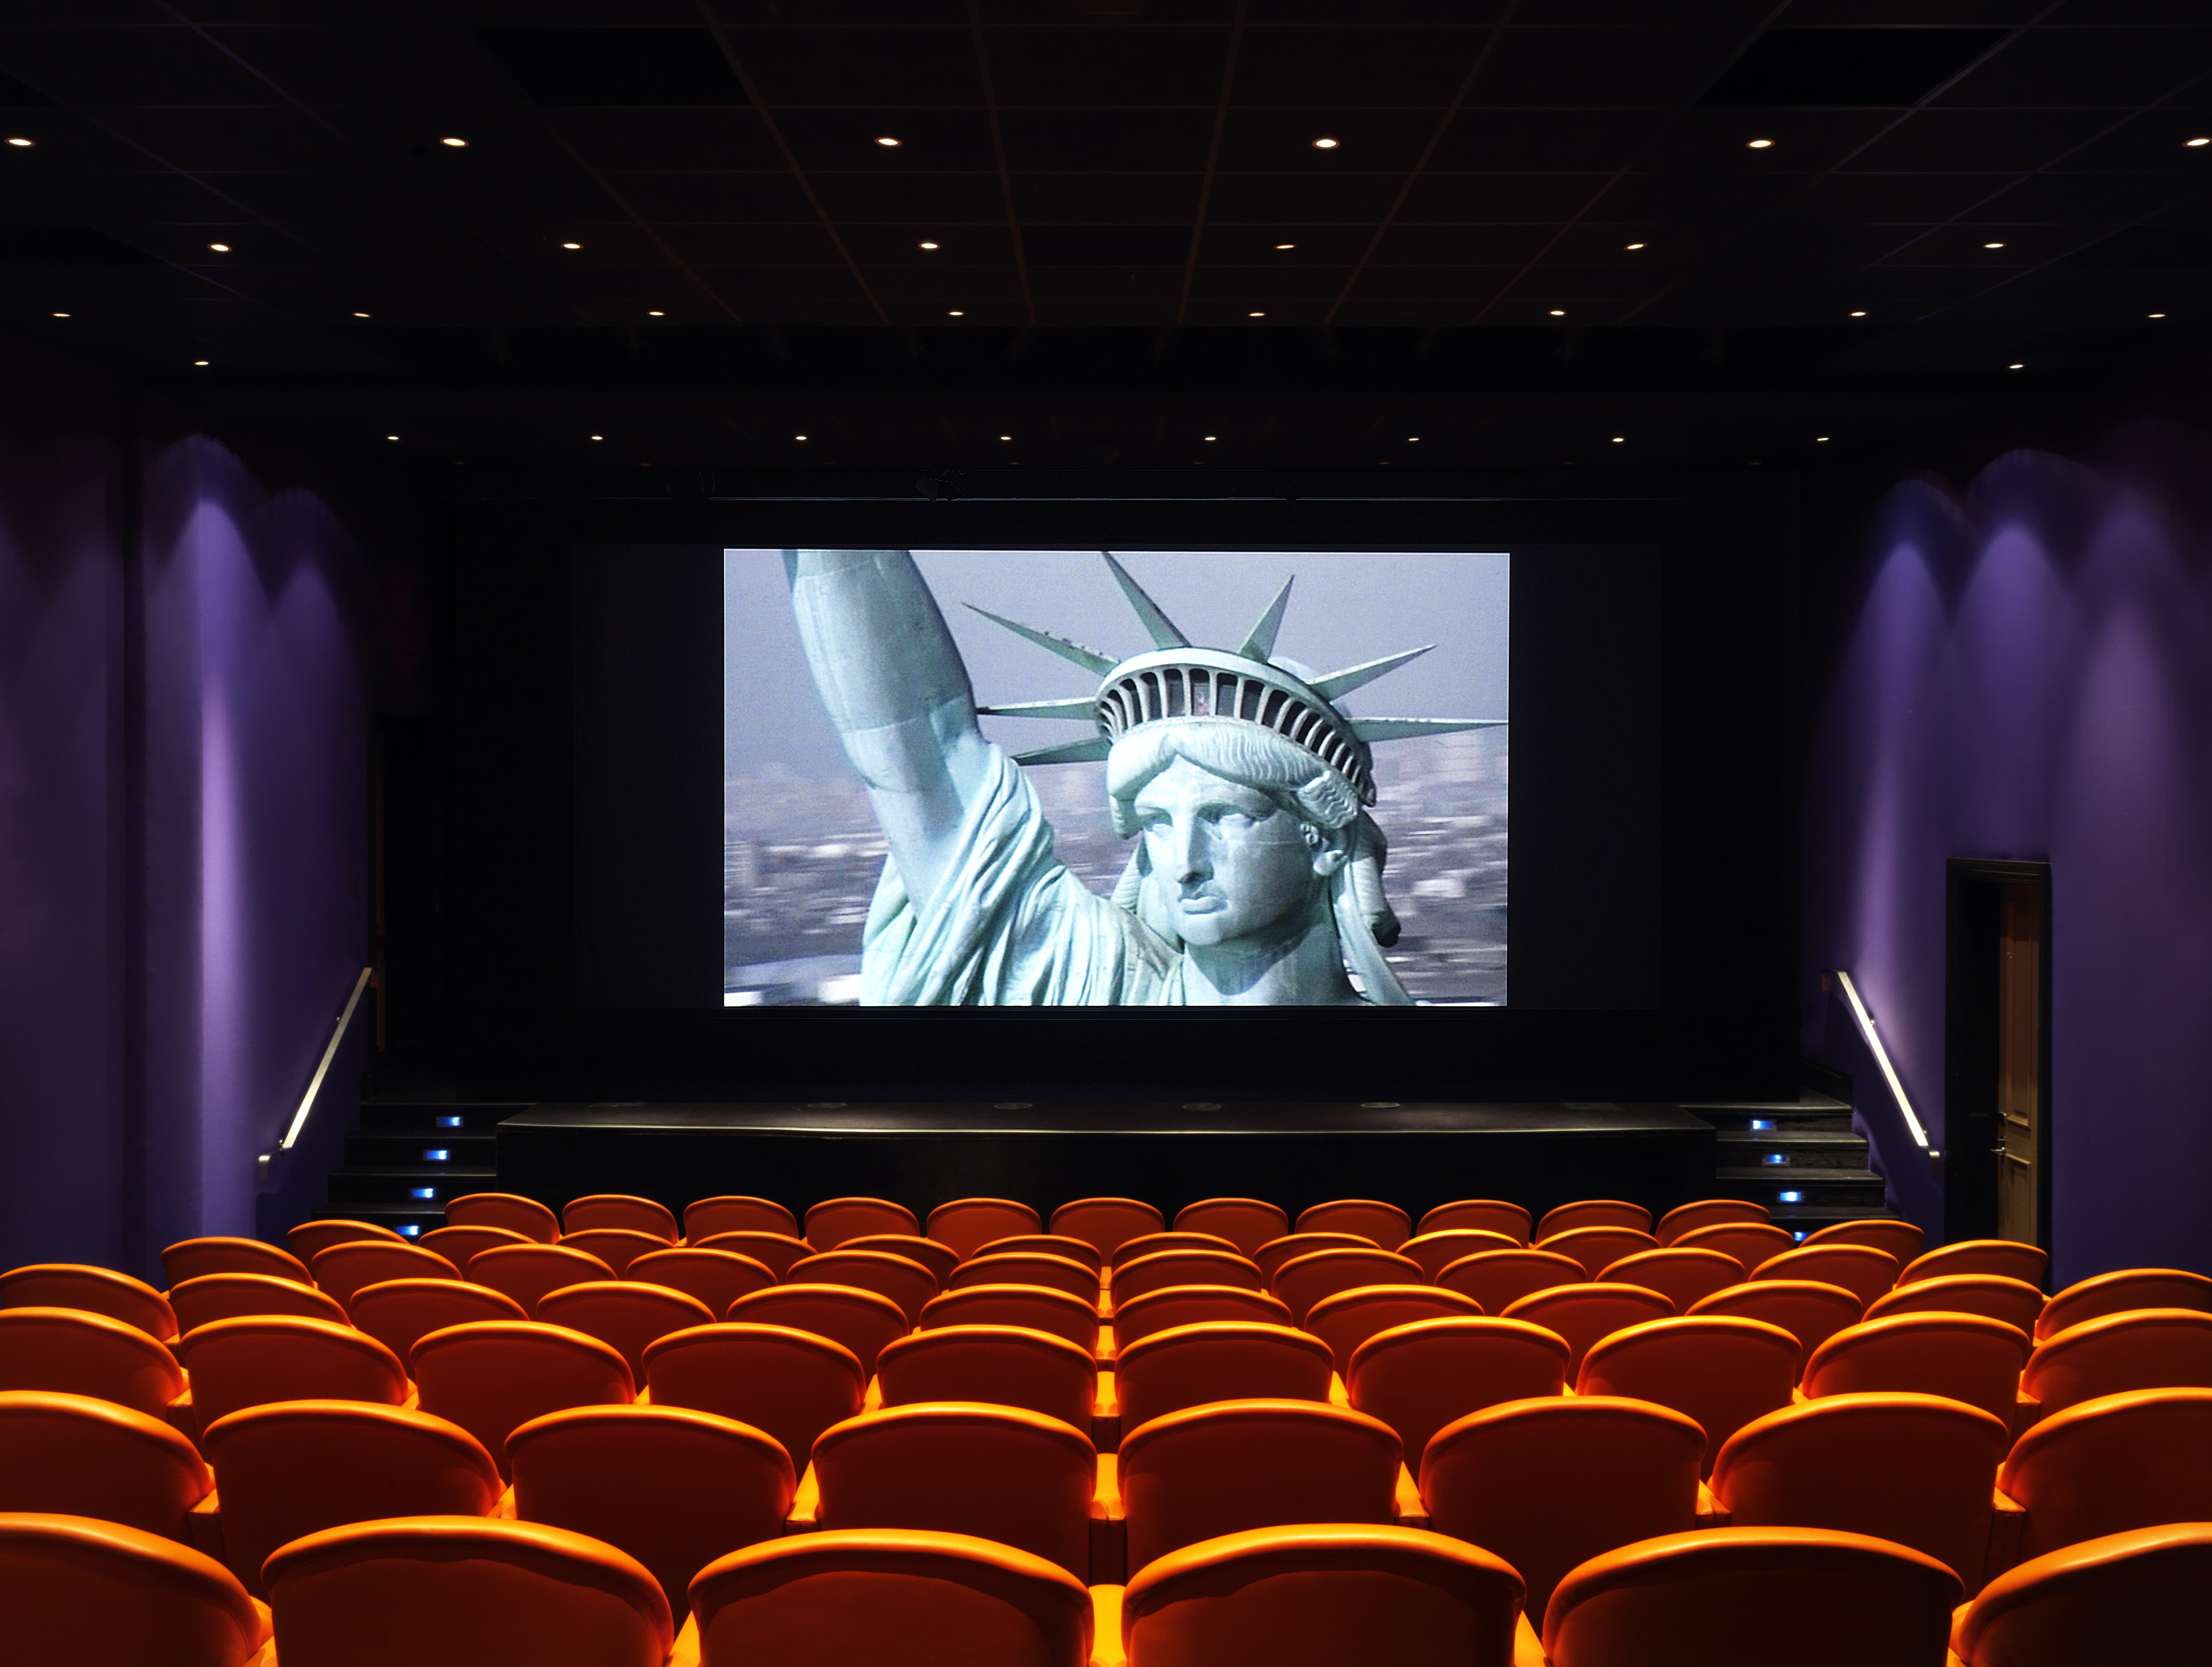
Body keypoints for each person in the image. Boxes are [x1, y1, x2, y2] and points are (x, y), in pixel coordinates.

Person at [785, 548, 1493, 1006]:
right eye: (1156, 823)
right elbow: (921, 750)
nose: (1182, 864)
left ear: (1324, 839)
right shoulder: (1097, 980)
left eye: (1224, 815)